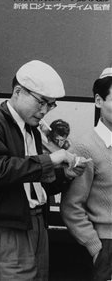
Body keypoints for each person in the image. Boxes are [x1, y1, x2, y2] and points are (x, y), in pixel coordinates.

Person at [0, 60, 90, 281]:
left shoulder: (32, 130)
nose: (44, 111)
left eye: (51, 105)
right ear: (18, 92)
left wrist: (66, 175)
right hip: (6, 231)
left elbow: (37, 184)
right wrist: (51, 158)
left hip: (37, 225)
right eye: (41, 103)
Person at [60, 68, 112, 281]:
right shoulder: (85, 146)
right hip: (107, 245)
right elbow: (72, 206)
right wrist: (96, 248)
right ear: (99, 101)